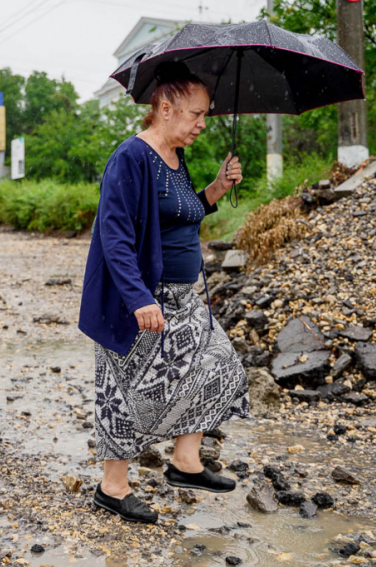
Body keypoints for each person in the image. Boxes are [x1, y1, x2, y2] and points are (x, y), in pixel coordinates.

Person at [78, 61, 250, 524]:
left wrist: (218, 187)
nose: (202, 124)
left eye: (206, 115)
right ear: (166, 108)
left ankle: (185, 462)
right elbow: (114, 235)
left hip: (182, 297)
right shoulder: (131, 157)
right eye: (196, 114)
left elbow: (183, 212)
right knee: (124, 391)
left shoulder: (176, 157)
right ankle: (112, 488)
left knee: (220, 366)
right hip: (138, 299)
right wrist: (138, 298)